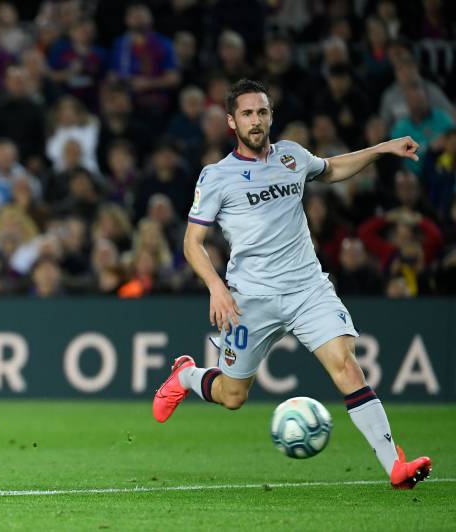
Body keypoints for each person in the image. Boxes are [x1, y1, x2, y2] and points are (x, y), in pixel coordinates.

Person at [152, 80, 431, 490]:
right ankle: (188, 376)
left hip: (308, 290)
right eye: (247, 113)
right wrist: (216, 287)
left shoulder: (292, 157)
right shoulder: (217, 177)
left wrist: (381, 149)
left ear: (270, 116)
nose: (256, 120)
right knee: (233, 396)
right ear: (232, 121)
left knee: (346, 366)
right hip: (250, 300)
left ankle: (395, 466)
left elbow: (332, 168)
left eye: (262, 112)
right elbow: (192, 243)